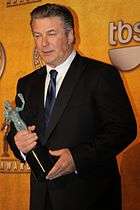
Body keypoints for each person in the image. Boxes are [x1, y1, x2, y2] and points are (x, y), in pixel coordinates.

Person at [7, 3, 137, 210]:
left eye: (51, 33)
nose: (43, 43)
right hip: (41, 199)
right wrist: (18, 144)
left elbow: (123, 129)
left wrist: (77, 158)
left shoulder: (101, 75)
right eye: (37, 35)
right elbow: (16, 132)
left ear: (70, 36)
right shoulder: (27, 83)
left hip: (89, 197)